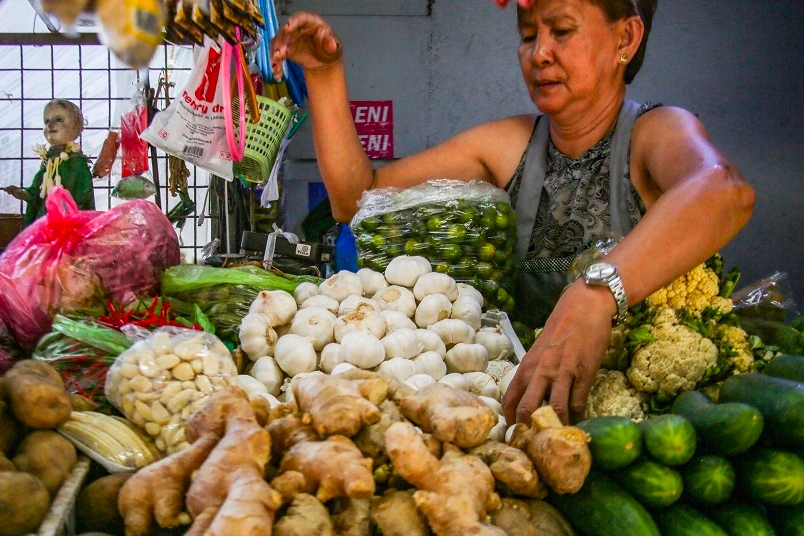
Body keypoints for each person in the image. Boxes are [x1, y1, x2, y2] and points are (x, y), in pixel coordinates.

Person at [269, 0, 755, 426]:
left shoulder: (656, 133)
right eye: (528, 37)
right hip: (527, 419)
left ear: (625, 37)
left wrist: (596, 295)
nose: (539, 53)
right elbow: (359, 199)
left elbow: (723, 191)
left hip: (636, 432)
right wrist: (325, 76)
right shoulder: (512, 147)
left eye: (561, 31)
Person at [4, 99, 96, 226]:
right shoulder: (48, 161)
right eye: (46, 121)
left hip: (68, 226)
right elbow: (38, 190)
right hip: (46, 222)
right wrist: (24, 194)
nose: (50, 125)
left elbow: (83, 193)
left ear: (77, 128)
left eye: (59, 120)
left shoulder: (77, 163)